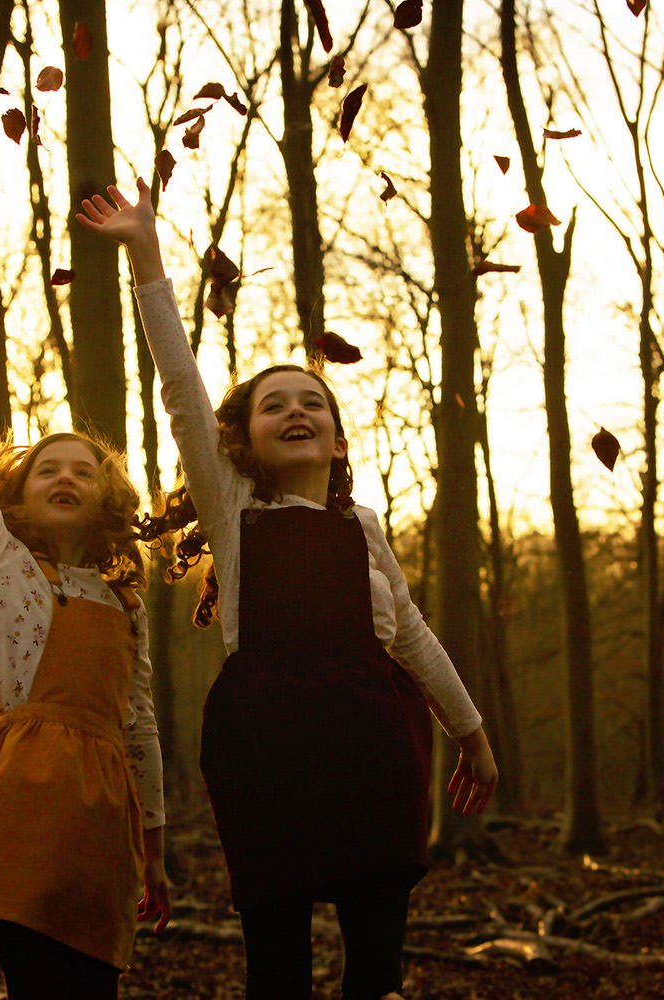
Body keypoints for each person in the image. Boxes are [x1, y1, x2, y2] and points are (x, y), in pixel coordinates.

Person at [75, 181, 498, 1000]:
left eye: (314, 403)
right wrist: (147, 255)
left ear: (337, 440)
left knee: (376, 954)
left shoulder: (364, 526)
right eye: (276, 405)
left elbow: (410, 634)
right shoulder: (238, 515)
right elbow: (181, 388)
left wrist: (470, 731)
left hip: (376, 746)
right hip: (267, 746)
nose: (298, 411)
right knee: (277, 954)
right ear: (243, 438)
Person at [0, 319, 171, 999]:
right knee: (37, 975)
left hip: (103, 809)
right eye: (48, 469)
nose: (67, 478)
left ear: (109, 499)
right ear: (15, 497)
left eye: (85, 471)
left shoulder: (125, 602)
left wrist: (155, 849)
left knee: (92, 975)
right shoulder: (8, 567)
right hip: (21, 790)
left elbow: (140, 724)